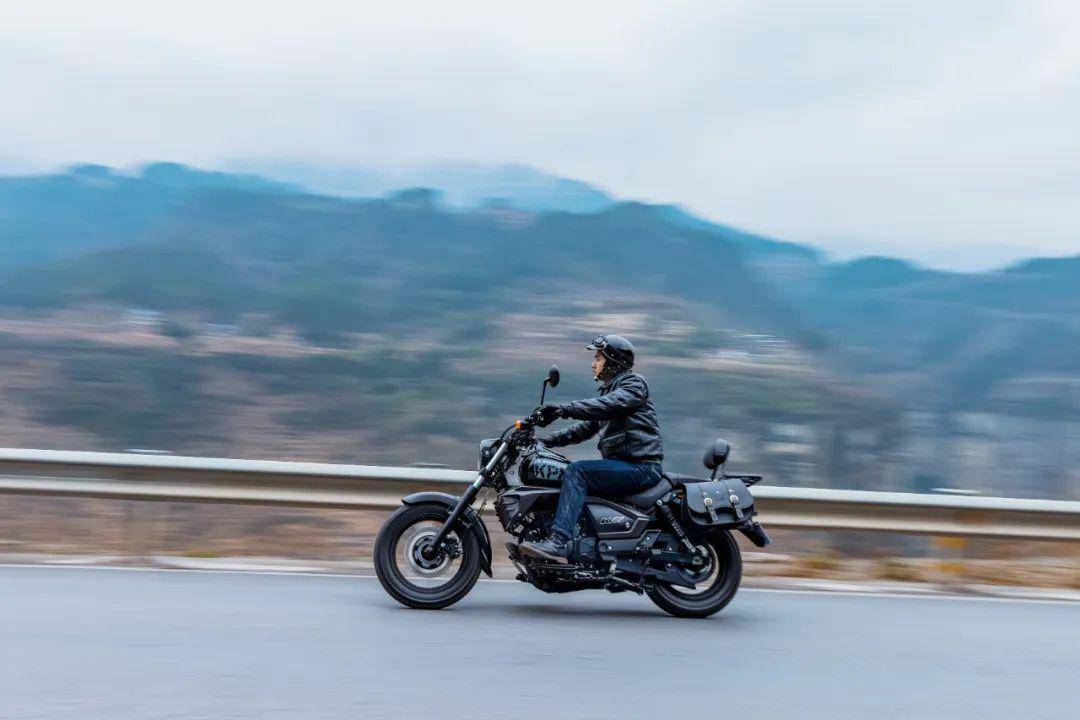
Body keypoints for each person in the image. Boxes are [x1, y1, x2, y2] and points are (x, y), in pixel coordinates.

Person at [520, 334, 664, 563]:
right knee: (569, 471)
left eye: (598, 358)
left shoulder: (634, 385)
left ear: (613, 361)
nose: (593, 363)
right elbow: (582, 429)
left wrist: (563, 409)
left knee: (577, 471)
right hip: (625, 465)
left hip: (642, 467)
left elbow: (607, 405)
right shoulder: (610, 392)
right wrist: (544, 442)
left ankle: (558, 542)